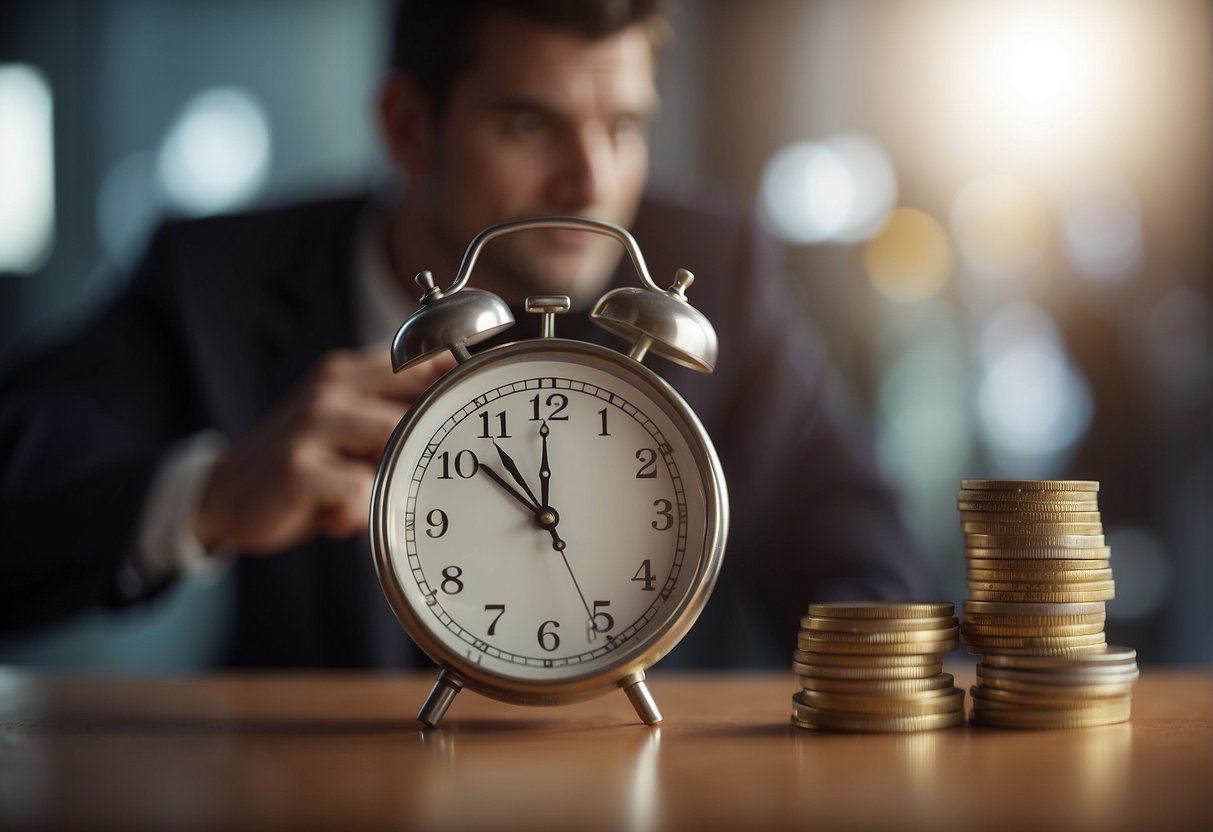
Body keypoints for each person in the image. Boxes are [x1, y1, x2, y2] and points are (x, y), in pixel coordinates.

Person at [0, 0, 934, 668]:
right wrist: (209, 495)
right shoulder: (220, 281)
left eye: (623, 125)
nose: (591, 180)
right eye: (531, 124)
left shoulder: (716, 266)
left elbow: (857, 544)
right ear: (409, 128)